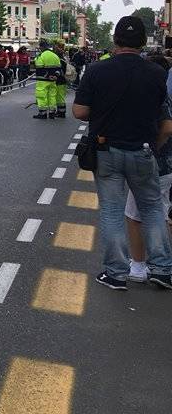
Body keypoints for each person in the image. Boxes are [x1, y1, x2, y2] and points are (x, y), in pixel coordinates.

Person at [73, 16, 172, 290]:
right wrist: (155, 146)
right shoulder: (157, 74)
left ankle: (116, 273)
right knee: (152, 208)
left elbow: (80, 111)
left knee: (112, 211)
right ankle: (162, 269)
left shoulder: (96, 71)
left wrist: (102, 112)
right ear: (143, 42)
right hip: (143, 150)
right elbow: (165, 122)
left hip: (106, 150)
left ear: (115, 41)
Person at [125, 55, 172, 283]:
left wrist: (154, 148)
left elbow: (165, 129)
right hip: (169, 166)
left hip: (154, 163)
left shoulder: (158, 97)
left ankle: (140, 266)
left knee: (136, 215)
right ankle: (164, 264)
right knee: (163, 211)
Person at [32, 40, 61, 119]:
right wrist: (55, 76)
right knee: (52, 96)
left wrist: (47, 76)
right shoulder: (55, 56)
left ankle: (43, 113)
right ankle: (52, 112)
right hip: (53, 80)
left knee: (42, 96)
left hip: (43, 81)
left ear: (41, 47)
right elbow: (59, 68)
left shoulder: (41, 56)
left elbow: (39, 68)